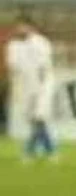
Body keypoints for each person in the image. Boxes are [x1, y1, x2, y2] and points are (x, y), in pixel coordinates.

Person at [5, 15, 58, 162]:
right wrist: (16, 86)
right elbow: (13, 67)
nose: (20, 29)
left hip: (43, 84)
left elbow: (44, 65)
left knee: (39, 116)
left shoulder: (41, 42)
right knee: (33, 120)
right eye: (18, 26)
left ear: (31, 27)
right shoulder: (13, 46)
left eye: (23, 26)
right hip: (25, 86)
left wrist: (41, 85)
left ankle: (29, 150)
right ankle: (50, 150)